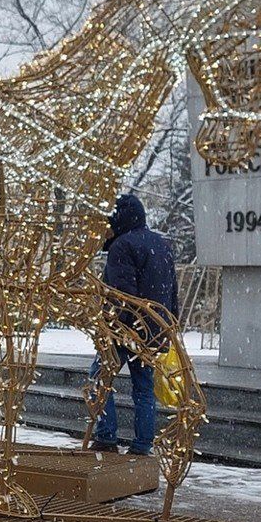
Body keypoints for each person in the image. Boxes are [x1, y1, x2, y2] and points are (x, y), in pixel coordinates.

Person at [93, 193, 178, 455]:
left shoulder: (122, 246)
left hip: (126, 329)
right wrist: (169, 327)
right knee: (143, 388)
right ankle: (143, 444)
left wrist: (114, 328)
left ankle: (106, 437)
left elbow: (123, 294)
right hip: (154, 329)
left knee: (99, 378)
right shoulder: (161, 244)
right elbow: (172, 292)